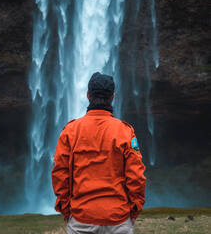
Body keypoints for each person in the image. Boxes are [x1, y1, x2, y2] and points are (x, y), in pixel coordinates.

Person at [52, 72, 146, 234]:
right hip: (118, 220)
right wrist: (133, 210)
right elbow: (136, 177)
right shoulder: (125, 131)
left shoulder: (70, 131)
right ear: (113, 96)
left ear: (88, 95)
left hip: (81, 219)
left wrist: (67, 211)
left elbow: (60, 174)